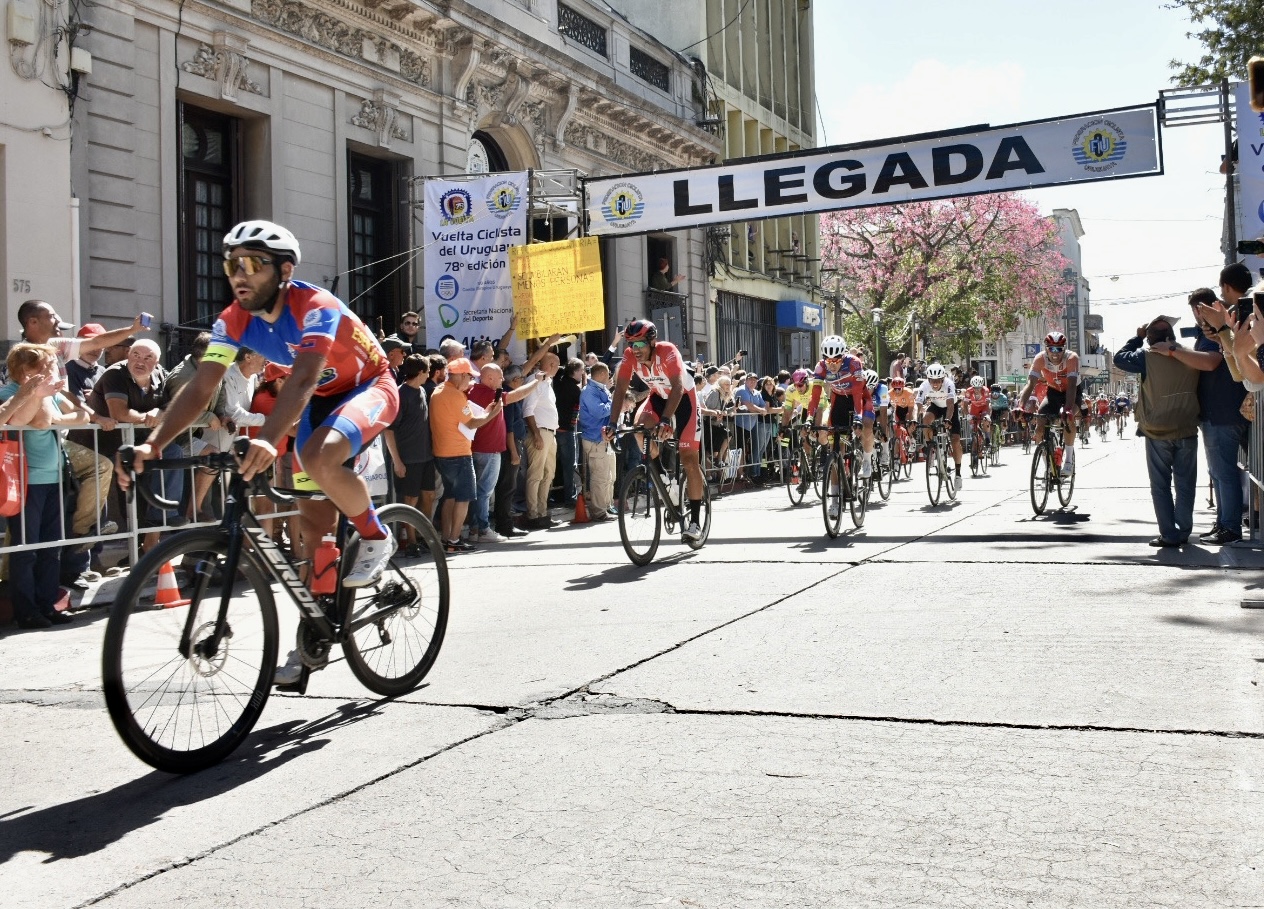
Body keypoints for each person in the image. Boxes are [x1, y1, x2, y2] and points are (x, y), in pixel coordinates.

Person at [117, 220, 402, 687]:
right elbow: (200, 387)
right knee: (315, 530)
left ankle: (375, 533)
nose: (238, 274)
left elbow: (306, 375)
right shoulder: (232, 319)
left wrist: (270, 437)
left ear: (285, 270)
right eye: (231, 264)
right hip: (318, 403)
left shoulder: (317, 306)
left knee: (316, 457)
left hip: (368, 385)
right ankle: (314, 634)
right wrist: (153, 443)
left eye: (252, 263)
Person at [2, 343, 93, 627]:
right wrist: (31, 396)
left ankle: (47, 604)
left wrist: (54, 415)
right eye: (43, 368)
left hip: (54, 478)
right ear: (24, 371)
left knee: (51, 547)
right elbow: (18, 418)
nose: (51, 373)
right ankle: (26, 610)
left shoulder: (50, 395)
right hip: (27, 482)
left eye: (50, 367)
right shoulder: (10, 393)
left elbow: (83, 415)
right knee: (26, 549)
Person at [605, 318, 706, 541]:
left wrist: (667, 420)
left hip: (683, 399)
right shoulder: (630, 356)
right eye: (631, 344)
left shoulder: (667, 351)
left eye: (640, 344)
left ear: (652, 341)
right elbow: (620, 389)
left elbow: (678, 387)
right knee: (639, 429)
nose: (635, 350)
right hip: (658, 397)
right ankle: (663, 476)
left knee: (689, 458)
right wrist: (612, 423)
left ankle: (696, 523)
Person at [1113, 314, 1200, 547]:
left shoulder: (1145, 356)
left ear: (1151, 340)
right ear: (1171, 336)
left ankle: (1169, 534)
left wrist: (1137, 338)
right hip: (1187, 427)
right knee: (1186, 485)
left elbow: (1119, 359)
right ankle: (1183, 531)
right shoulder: (1190, 355)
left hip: (1157, 430)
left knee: (1160, 486)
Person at [1178, 286, 1248, 545]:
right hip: (1217, 412)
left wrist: (1174, 351)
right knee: (1219, 472)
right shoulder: (1214, 332)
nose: (1198, 316)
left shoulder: (1218, 332)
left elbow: (1211, 362)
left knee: (1224, 471)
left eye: (1199, 310)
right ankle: (1223, 524)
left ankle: (1230, 528)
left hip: (1223, 412)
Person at [429, 357, 502, 552]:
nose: (471, 381)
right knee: (463, 498)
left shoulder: (438, 392)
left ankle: (447, 539)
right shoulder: (454, 395)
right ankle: (453, 540)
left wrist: (485, 413)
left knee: (451, 497)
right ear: (461, 375)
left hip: (442, 453)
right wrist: (493, 413)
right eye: (469, 376)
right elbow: (471, 423)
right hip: (458, 454)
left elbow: (468, 418)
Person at [466, 361, 540, 541]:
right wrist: (536, 381)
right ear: (489, 378)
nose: (502, 379)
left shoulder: (475, 391)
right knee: (484, 491)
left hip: (482, 449)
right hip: (488, 450)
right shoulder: (488, 393)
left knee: (480, 491)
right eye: (499, 376)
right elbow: (515, 396)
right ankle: (482, 529)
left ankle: (476, 529)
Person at [806, 335, 876, 500]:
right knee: (836, 451)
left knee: (866, 424)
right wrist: (809, 418)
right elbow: (815, 395)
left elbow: (858, 393)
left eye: (836, 362)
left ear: (842, 357)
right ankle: (835, 498)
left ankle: (867, 459)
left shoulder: (853, 363)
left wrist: (858, 416)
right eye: (828, 361)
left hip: (859, 398)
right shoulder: (820, 367)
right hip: (839, 401)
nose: (832, 366)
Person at [382, 354, 434, 554]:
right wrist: (397, 461)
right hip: (408, 457)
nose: (429, 374)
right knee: (410, 499)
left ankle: (424, 536)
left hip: (426, 455)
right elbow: (389, 430)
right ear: (420, 372)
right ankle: (411, 541)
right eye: (428, 370)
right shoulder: (399, 394)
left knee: (428, 495)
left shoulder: (421, 391)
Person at [1017, 330, 1082, 477]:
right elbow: (1030, 383)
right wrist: (1020, 406)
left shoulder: (1071, 358)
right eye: (1051, 348)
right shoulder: (1040, 359)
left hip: (1072, 393)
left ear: (1064, 349)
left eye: (1059, 349)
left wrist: (1068, 409)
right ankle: (1048, 467)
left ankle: (1069, 461)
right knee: (1040, 427)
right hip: (1053, 393)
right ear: (1046, 348)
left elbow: (1072, 385)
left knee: (1067, 418)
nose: (1055, 352)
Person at [914, 363, 963, 488]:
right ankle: (931, 448)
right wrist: (914, 419)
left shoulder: (949, 384)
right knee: (925, 420)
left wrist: (947, 419)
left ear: (942, 379)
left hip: (950, 407)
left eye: (938, 381)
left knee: (955, 440)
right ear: (928, 379)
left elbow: (951, 405)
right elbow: (918, 404)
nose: (935, 384)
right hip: (936, 406)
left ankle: (958, 473)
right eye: (932, 381)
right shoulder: (924, 385)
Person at [578, 361, 615, 520]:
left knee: (609, 476)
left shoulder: (601, 390)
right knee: (600, 476)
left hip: (606, 438)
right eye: (608, 374)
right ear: (601, 374)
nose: (609, 377)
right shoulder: (589, 391)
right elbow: (600, 411)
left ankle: (607, 506)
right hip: (595, 438)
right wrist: (615, 401)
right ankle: (599, 511)